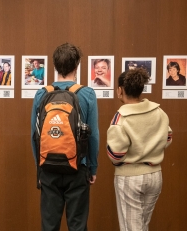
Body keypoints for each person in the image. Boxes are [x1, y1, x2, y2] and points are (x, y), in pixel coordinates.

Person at [31, 43, 99, 231]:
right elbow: (93, 135)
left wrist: (39, 168)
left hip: (48, 168)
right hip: (78, 167)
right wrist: (92, 167)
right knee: (77, 225)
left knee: (49, 225)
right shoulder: (86, 94)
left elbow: (34, 135)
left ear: (54, 66)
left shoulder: (42, 94)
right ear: (77, 66)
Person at [107, 68, 172, 231]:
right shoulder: (158, 111)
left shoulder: (121, 117)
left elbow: (116, 155)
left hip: (130, 177)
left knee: (131, 228)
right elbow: (168, 137)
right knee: (142, 225)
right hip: (155, 176)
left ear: (120, 90)